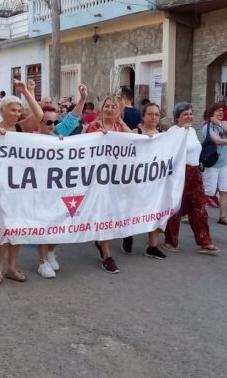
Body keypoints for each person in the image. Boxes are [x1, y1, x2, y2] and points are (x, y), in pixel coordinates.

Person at [0, 80, 44, 285]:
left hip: (21, 185)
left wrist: (26, 93)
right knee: (2, 227)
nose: (17, 114)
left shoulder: (21, 128)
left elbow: (38, 116)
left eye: (19, 110)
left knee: (17, 228)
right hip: (0, 185)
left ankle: (12, 267)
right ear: (2, 110)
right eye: (13, 110)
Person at [35, 84, 88, 278]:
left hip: (59, 188)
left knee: (59, 223)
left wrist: (82, 98)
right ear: (39, 124)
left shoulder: (59, 133)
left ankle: (50, 251)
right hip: (38, 190)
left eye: (54, 122)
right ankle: (42, 262)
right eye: (47, 123)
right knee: (42, 224)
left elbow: (73, 118)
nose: (52, 126)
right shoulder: (28, 140)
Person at [163, 102, 220, 255]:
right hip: (180, 172)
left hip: (195, 172)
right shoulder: (173, 132)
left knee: (199, 206)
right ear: (177, 118)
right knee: (176, 207)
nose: (189, 117)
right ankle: (170, 240)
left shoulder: (192, 131)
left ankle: (205, 242)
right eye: (185, 114)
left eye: (191, 113)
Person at [84, 94, 132, 273]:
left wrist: (121, 122)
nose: (110, 109)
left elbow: (136, 140)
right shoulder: (93, 126)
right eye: (107, 106)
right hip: (97, 179)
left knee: (111, 214)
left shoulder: (119, 127)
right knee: (104, 214)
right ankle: (106, 254)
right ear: (100, 109)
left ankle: (102, 243)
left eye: (113, 106)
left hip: (116, 179)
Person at [120, 102, 167, 260]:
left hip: (155, 181)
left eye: (156, 114)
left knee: (155, 211)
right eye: (150, 114)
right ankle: (128, 234)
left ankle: (152, 246)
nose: (153, 117)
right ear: (143, 116)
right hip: (136, 180)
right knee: (133, 210)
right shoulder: (136, 132)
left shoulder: (163, 136)